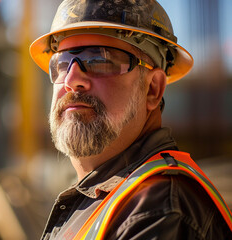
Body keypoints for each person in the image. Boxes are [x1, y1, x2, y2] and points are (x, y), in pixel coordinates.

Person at [29, 0, 232, 239]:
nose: (71, 79)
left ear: (153, 89)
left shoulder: (157, 208)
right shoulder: (105, 197)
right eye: (62, 64)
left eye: (100, 60)